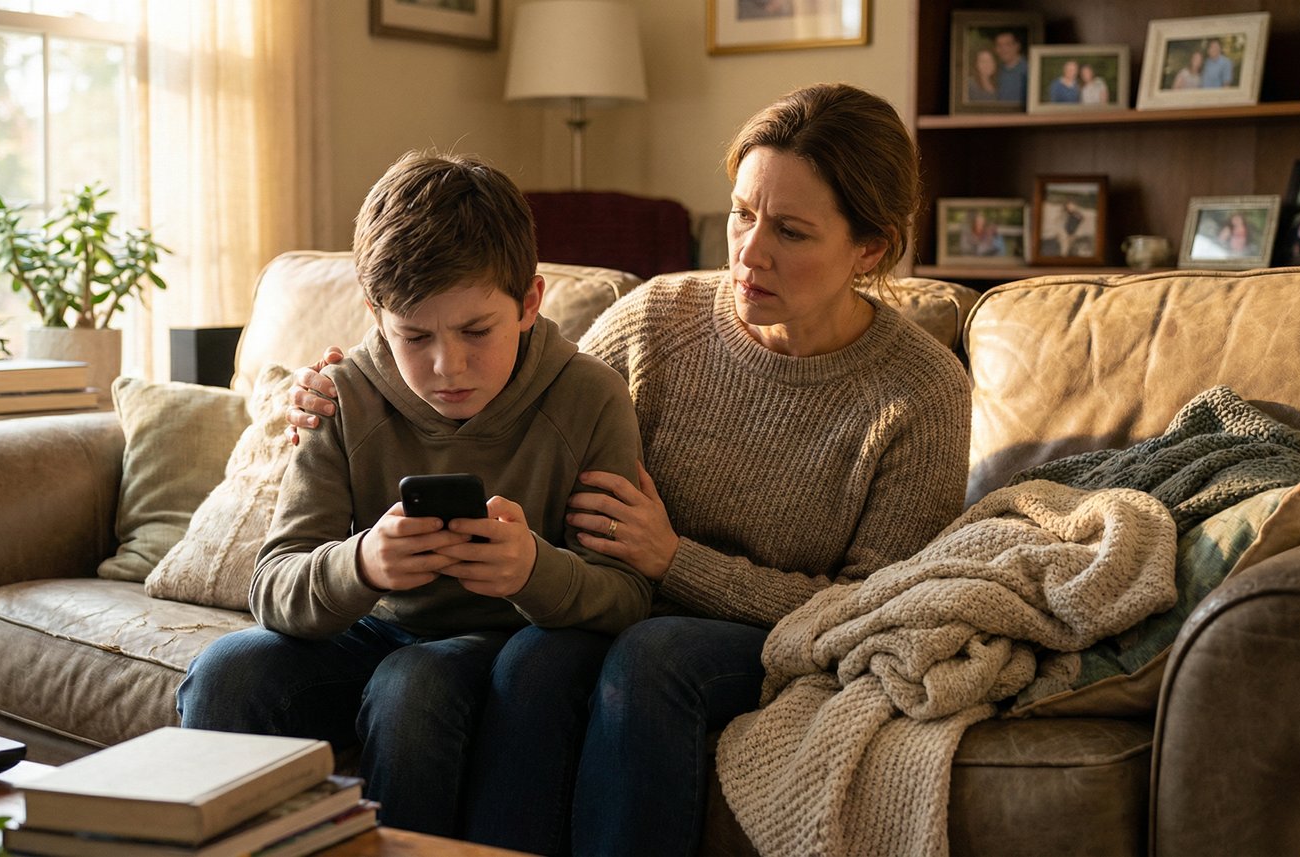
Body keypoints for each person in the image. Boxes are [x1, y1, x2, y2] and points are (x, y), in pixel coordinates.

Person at [286, 83, 973, 856]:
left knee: (655, 655)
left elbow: (869, 610)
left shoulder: (921, 392)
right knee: (536, 657)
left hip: (763, 635)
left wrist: (675, 559)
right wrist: (347, 380)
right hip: (609, 606)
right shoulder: (657, 318)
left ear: (870, 247)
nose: (749, 252)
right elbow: (506, 387)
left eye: (790, 230)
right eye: (743, 213)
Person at [176, 150, 653, 840]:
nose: (446, 366)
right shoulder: (340, 396)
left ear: (528, 304)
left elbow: (628, 594)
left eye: (475, 331)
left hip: (503, 647)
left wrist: (532, 570)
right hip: (374, 627)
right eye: (414, 335)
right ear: (375, 314)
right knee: (225, 670)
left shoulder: (589, 398)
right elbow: (275, 585)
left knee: (413, 686)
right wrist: (364, 562)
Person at [993, 29, 1028, 102]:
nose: (1003, 49)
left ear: (1017, 46)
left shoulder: (1028, 70)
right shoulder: (996, 71)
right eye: (999, 45)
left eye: (1007, 45)